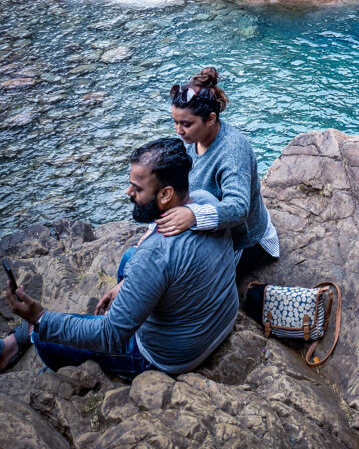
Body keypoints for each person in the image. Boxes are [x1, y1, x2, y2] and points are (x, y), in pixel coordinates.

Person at [1, 138, 238, 378]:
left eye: (138, 188)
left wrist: (39, 319)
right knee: (129, 258)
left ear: (166, 194)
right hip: (216, 321)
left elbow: (109, 335)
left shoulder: (155, 255)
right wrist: (126, 285)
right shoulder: (206, 203)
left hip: (168, 356)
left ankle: (45, 357)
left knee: (43, 336)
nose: (129, 192)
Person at [162, 67, 280, 279]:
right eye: (175, 122)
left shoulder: (232, 151)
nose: (178, 131)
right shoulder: (191, 141)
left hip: (246, 243)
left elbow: (238, 207)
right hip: (211, 231)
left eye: (186, 124)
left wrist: (192, 216)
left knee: (178, 282)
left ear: (211, 119)